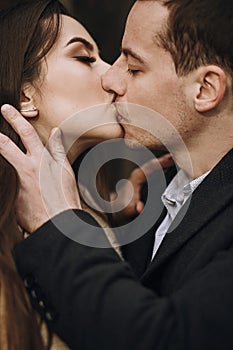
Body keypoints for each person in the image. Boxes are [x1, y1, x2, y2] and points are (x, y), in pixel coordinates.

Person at [1, 0, 233, 349]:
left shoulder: (86, 218)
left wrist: (63, 224)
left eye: (134, 67)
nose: (111, 77)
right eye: (85, 58)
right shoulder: (151, 198)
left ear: (204, 89)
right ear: (24, 95)